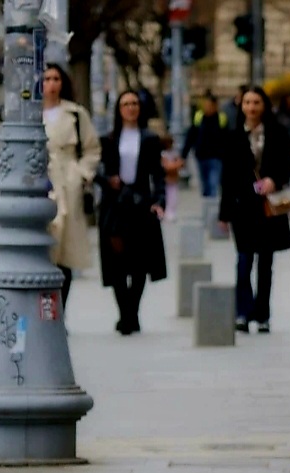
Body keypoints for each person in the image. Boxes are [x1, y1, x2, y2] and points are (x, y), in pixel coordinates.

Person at [218, 87, 290, 333]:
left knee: (265, 262)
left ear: (264, 106)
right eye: (247, 102)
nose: (251, 107)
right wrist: (223, 214)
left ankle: (262, 314)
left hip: (267, 207)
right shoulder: (233, 136)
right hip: (242, 207)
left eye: (256, 102)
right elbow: (226, 177)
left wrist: (274, 180)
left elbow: (288, 165)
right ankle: (242, 312)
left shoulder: (277, 133)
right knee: (243, 260)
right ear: (241, 106)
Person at [94, 90, 168, 335]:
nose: (131, 108)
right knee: (116, 262)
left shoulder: (149, 138)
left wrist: (160, 200)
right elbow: (96, 170)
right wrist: (108, 180)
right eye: (126, 104)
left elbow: (158, 173)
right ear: (119, 109)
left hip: (140, 203)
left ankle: (132, 313)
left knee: (139, 263)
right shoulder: (109, 139)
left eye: (135, 103)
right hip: (114, 205)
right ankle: (124, 313)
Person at [41, 64, 101, 310]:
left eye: (56, 78)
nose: (51, 84)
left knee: (64, 254)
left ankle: (60, 312)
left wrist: (81, 174)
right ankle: (45, 312)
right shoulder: (31, 113)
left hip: (69, 183)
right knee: (43, 251)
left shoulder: (75, 114)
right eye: (46, 79)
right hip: (41, 183)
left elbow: (92, 148)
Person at [180, 92, 227, 197]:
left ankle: (212, 204)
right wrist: (183, 155)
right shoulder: (199, 117)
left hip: (216, 157)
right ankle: (207, 203)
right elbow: (191, 136)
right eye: (205, 105)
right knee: (205, 184)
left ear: (215, 106)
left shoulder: (221, 118)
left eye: (210, 105)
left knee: (213, 183)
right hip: (201, 156)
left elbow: (227, 139)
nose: (207, 107)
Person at [159, 134, 185, 221]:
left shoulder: (174, 153)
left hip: (173, 179)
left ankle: (171, 212)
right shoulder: (163, 154)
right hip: (165, 179)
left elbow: (181, 163)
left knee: (173, 198)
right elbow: (167, 167)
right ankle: (164, 212)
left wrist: (176, 164)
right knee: (166, 197)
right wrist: (176, 165)